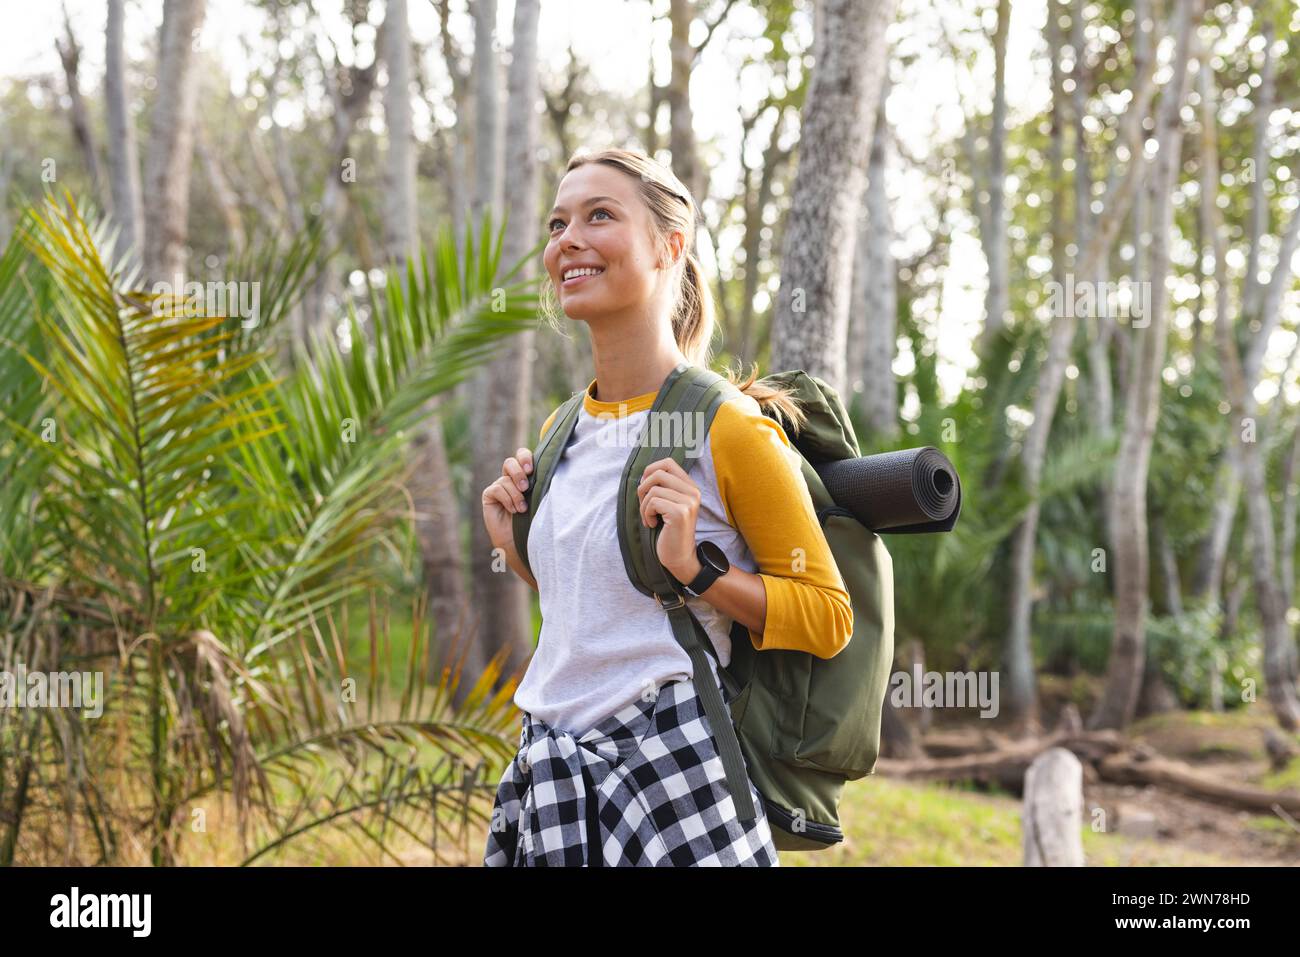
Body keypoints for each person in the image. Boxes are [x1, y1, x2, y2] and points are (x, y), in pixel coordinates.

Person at [479, 147, 853, 866]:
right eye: (558, 224)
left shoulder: (727, 425)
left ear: (668, 245)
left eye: (599, 216)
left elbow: (828, 616)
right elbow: (602, 610)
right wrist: (516, 548)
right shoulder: (562, 428)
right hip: (552, 768)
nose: (567, 241)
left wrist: (699, 571)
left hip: (670, 773)